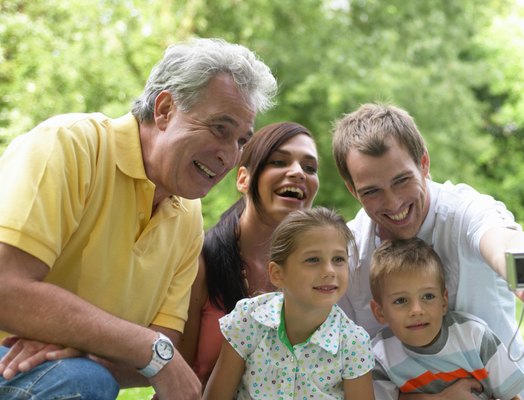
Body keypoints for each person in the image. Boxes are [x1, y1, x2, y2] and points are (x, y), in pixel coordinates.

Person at [0, 38, 276, 400]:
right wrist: (140, 344)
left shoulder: (188, 215)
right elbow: (5, 288)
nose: (230, 155)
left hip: (65, 373)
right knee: (84, 381)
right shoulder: (68, 145)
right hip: (15, 362)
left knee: (84, 376)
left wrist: (85, 344)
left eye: (242, 140)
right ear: (164, 110)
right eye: (220, 128)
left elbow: (165, 347)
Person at [331, 103, 524, 400]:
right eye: (372, 191)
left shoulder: (464, 211)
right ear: (351, 189)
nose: (393, 202)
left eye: (402, 180)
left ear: (424, 163)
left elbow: (498, 238)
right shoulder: (346, 254)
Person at [179, 121, 320, 388]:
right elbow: (177, 372)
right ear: (243, 179)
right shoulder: (200, 262)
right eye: (279, 162)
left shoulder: (318, 274)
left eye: (310, 168)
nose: (298, 173)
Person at [203, 207, 375, 400]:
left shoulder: (353, 343)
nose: (329, 271)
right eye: (313, 259)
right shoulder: (248, 319)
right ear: (277, 274)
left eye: (338, 259)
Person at [369, 238, 524, 400]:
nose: (416, 310)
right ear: (380, 312)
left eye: (428, 296)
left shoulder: (475, 336)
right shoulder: (379, 357)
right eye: (401, 300)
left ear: (444, 302)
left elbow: (513, 397)